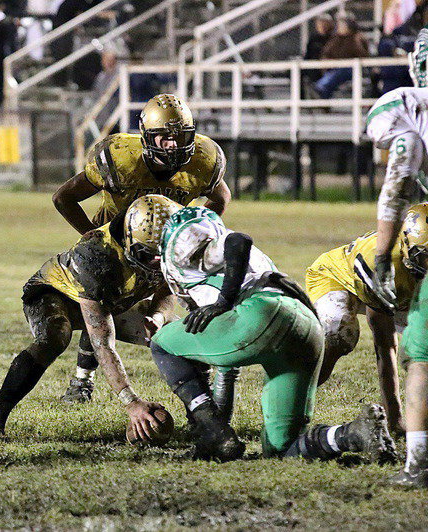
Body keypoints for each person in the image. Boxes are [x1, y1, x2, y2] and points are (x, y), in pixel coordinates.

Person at [149, 205, 397, 462]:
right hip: (306, 327)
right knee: (281, 448)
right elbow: (226, 368)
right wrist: (222, 430)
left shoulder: (183, 240)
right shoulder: (243, 264)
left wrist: (223, 300)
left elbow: (237, 241)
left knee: (162, 344)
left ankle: (209, 430)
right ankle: (353, 434)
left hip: (264, 314)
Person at [51, 94, 231, 404]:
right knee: (102, 301)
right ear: (146, 135)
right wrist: (92, 235)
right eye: (164, 136)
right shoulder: (119, 158)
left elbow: (221, 198)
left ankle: (185, 358)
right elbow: (63, 197)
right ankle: (82, 379)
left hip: (163, 243)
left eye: (180, 136)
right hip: (115, 244)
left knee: (171, 290)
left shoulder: (204, 160)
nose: (172, 145)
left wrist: (196, 230)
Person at [0, 195, 181, 444]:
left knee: (181, 337)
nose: (159, 263)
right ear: (128, 240)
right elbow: (103, 343)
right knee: (55, 336)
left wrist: (157, 316)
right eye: (149, 255)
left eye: (164, 255)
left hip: (115, 297)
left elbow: (167, 288)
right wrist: (132, 403)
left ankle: (204, 417)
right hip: (57, 291)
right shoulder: (96, 257)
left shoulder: (178, 242)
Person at [367, 28, 428, 487]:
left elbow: (395, 188)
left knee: (421, 354)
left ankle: (419, 462)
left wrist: (384, 253)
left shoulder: (410, 107)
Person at [304, 226, 423, 434]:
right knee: (339, 334)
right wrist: (394, 418)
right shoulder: (383, 266)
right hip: (336, 277)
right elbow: (385, 344)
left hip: (401, 287)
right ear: (407, 250)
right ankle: (291, 403)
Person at [313, 14, 369, 98]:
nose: (339, 27)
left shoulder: (358, 38)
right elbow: (326, 53)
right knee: (331, 73)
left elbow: (362, 55)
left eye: (342, 24)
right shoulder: (335, 39)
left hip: (352, 69)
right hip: (334, 67)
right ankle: (321, 97)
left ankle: (320, 87)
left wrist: (352, 40)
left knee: (338, 73)